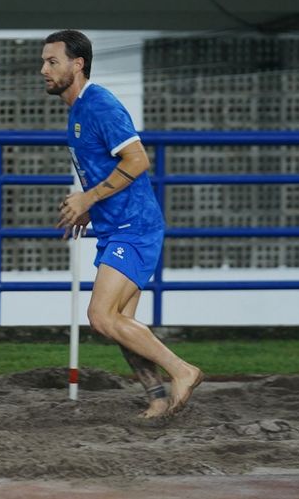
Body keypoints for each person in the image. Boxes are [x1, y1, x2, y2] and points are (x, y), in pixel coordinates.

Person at [41, 29, 203, 418]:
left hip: (135, 227)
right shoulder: (77, 110)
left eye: (52, 62)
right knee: (119, 323)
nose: (43, 70)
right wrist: (88, 210)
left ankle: (184, 370)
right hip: (116, 227)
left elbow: (138, 160)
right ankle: (158, 397)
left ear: (77, 64)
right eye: (44, 62)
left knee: (100, 316)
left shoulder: (100, 105)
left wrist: (88, 198)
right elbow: (104, 170)